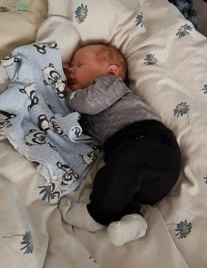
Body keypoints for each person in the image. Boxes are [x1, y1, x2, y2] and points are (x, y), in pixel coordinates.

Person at [60, 43, 181, 246]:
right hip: (146, 172)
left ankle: (97, 215)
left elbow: (88, 103)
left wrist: (65, 93)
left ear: (112, 71)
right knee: (116, 177)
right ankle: (133, 220)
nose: (71, 69)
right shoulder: (93, 101)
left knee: (122, 168)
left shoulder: (109, 84)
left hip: (151, 142)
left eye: (79, 64)